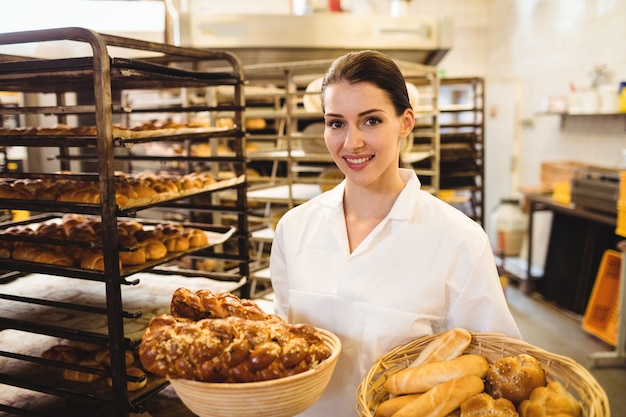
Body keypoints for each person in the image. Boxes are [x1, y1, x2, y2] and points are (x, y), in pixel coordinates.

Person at [269, 50, 521, 416]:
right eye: (336, 123)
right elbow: (281, 346)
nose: (351, 143)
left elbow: (502, 366)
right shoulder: (294, 230)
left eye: (370, 121)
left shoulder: (459, 241)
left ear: (405, 122)